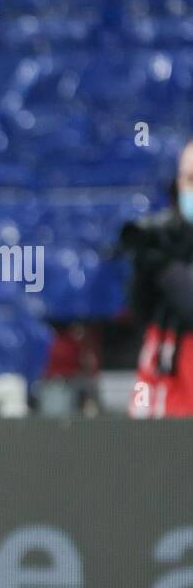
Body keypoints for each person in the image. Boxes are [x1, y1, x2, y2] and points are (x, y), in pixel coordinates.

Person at [122, 138, 193, 418]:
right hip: (160, 405)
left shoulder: (170, 263)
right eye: (188, 179)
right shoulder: (169, 238)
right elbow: (139, 313)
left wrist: (166, 268)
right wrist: (145, 266)